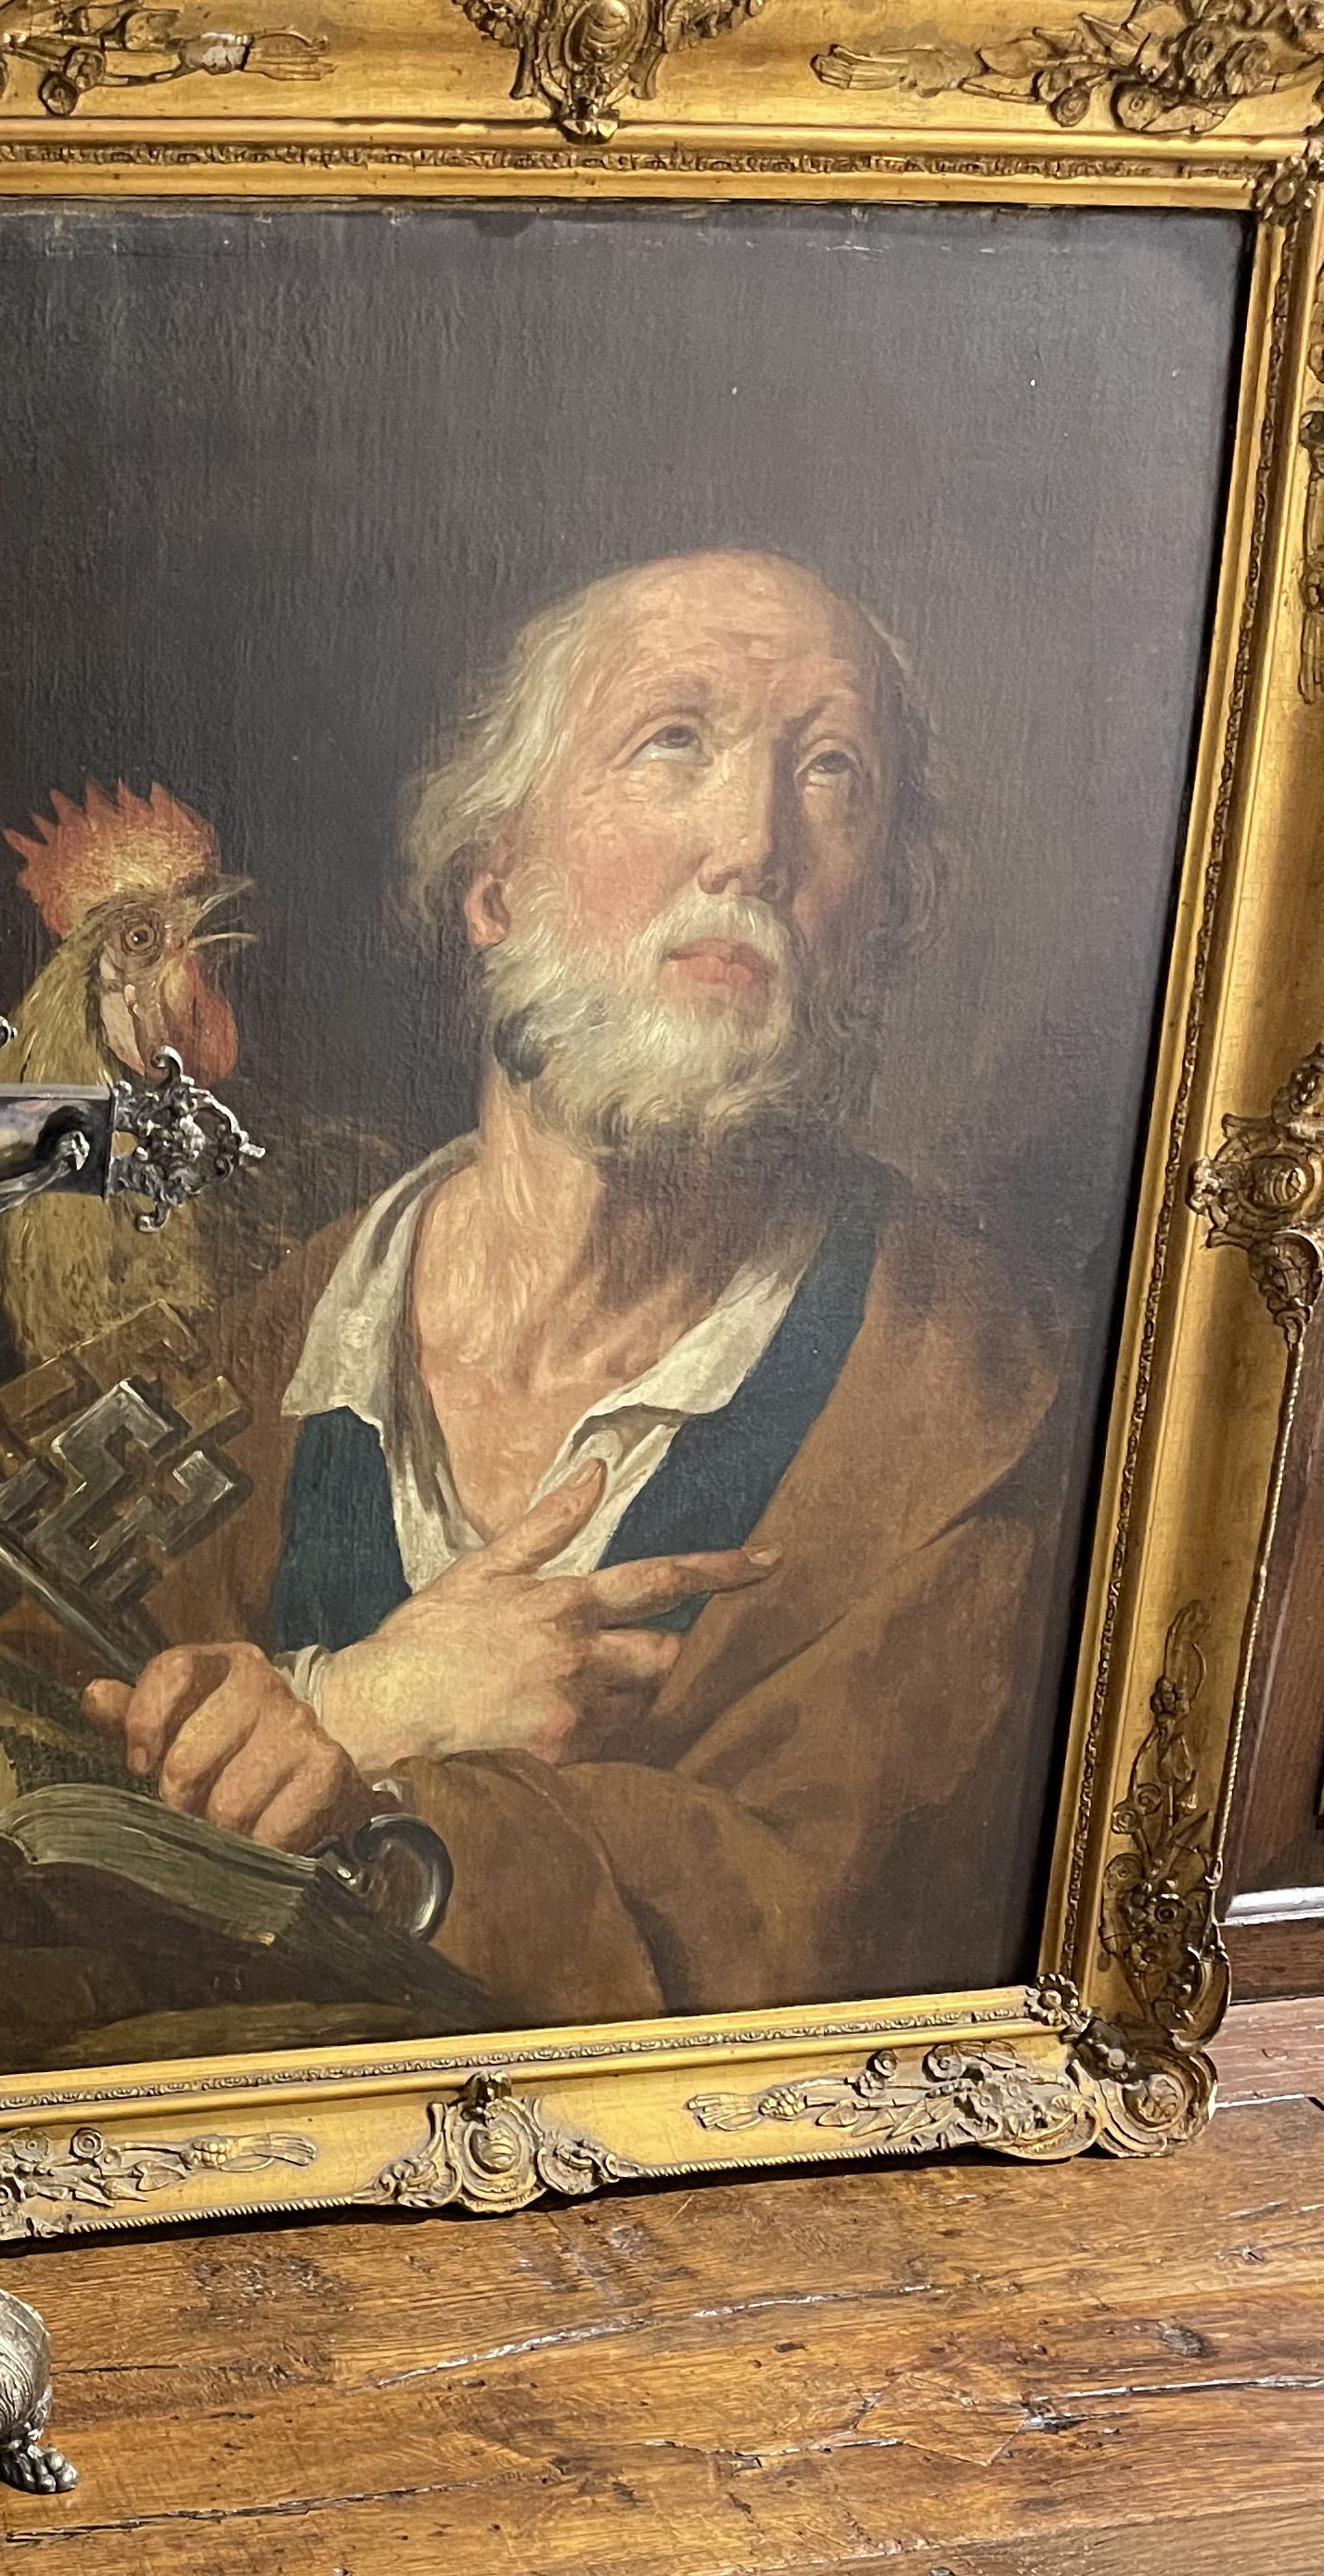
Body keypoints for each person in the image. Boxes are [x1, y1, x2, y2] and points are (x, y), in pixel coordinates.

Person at [84, 548, 1072, 2023]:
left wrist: (366, 1761)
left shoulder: (974, 1403)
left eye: (832, 775)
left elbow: (835, 1942)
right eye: (673, 742)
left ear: (873, 924)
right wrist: (372, 1697)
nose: (751, 845)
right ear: (494, 883)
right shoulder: (244, 1361)